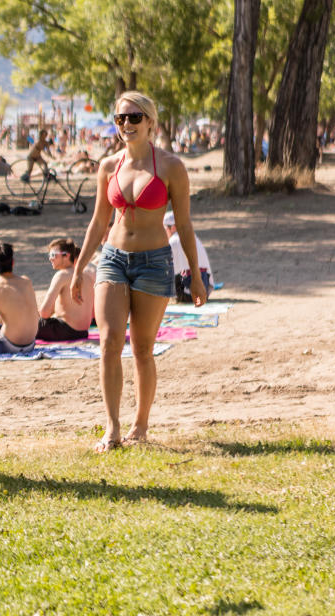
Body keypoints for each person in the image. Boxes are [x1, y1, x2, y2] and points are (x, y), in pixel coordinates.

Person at [70, 91, 205, 453]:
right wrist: (79, 267)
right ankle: (112, 429)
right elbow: (99, 221)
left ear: (150, 122)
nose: (125, 125)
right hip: (113, 258)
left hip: (154, 262)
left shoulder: (171, 167)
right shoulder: (108, 166)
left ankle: (141, 424)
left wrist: (194, 273)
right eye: (119, 119)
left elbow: (185, 224)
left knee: (143, 348)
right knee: (110, 342)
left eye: (133, 117)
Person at [36, 238, 95, 341]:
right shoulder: (86, 276)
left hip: (64, 331)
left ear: (66, 255)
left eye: (53, 254)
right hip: (82, 332)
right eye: (49, 255)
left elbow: (44, 313)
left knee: (22, 323)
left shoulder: (62, 275)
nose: (50, 258)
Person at [163, 211, 214, 303]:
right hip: (203, 291)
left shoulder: (173, 241)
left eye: (165, 228)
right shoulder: (193, 237)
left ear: (173, 227)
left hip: (189, 293)